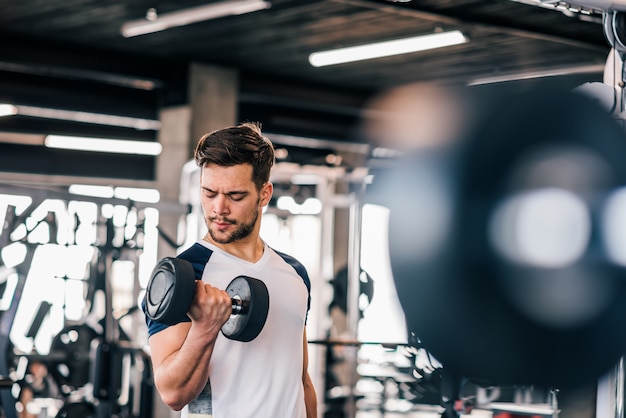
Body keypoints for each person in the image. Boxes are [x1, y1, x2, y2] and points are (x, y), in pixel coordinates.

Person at [144, 122, 317, 417]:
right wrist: (206, 327)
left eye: (235, 196)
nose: (218, 209)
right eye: (209, 193)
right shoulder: (184, 274)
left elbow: (301, 382)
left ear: (264, 194)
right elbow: (172, 393)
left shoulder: (295, 273)